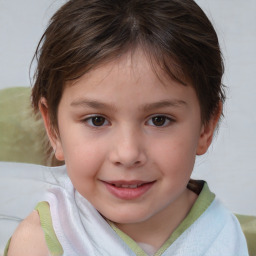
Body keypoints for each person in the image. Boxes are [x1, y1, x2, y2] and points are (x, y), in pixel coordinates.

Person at [5, 0, 249, 255]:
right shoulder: (42, 242)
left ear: (205, 127)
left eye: (159, 120)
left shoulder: (222, 233)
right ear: (54, 129)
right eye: (97, 120)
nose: (128, 154)